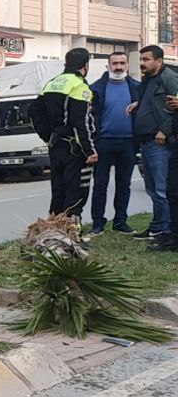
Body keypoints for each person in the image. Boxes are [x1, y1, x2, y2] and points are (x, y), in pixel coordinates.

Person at [38, 48, 97, 219]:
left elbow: (34, 111)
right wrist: (90, 151)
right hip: (75, 149)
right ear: (85, 65)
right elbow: (82, 122)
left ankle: (56, 233)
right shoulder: (79, 85)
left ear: (66, 64)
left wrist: (47, 136)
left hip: (56, 146)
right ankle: (72, 234)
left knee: (58, 190)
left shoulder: (52, 83)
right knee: (76, 193)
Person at [87, 51, 140, 236]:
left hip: (128, 143)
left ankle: (120, 221)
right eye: (115, 63)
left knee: (124, 184)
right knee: (100, 184)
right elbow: (90, 117)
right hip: (104, 143)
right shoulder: (96, 89)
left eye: (122, 63)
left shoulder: (136, 88)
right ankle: (97, 223)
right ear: (108, 65)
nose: (118, 66)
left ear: (127, 65)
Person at [135, 47, 178, 248]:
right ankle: (158, 225)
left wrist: (164, 130)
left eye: (146, 59)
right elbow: (153, 103)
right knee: (152, 189)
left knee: (163, 189)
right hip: (145, 141)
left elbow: (174, 109)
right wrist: (138, 104)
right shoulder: (147, 80)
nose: (142, 63)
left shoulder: (169, 78)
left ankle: (168, 231)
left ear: (159, 61)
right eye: (141, 59)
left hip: (159, 142)